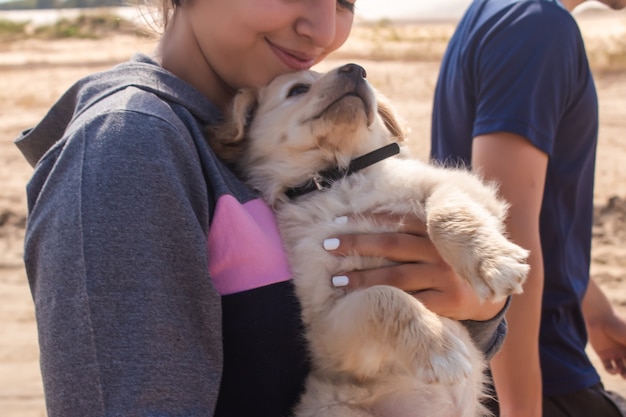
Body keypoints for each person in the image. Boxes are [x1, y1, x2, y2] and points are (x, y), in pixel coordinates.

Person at [14, 1, 510, 416]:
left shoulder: (286, 145)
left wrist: (475, 306)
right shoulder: (131, 146)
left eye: (347, 1)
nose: (323, 28)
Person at [431, 0, 626, 416]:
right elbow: (505, 230)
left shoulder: (499, 13)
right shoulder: (537, 28)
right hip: (532, 376)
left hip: (502, 363)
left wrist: (595, 312)